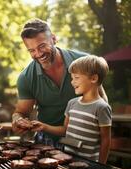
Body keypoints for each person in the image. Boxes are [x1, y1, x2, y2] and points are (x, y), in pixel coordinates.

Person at [12, 18, 107, 147]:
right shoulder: (26, 77)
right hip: (46, 143)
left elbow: (102, 100)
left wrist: (102, 136)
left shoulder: (85, 62)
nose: (38, 54)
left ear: (54, 39)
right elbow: (21, 112)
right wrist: (17, 120)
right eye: (32, 50)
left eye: (42, 46)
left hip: (84, 142)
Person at [31, 55, 111, 164]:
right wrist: (44, 127)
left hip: (89, 164)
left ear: (94, 78)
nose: (72, 82)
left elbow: (105, 140)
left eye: (76, 78)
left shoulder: (102, 107)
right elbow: (65, 130)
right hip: (68, 160)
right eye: (72, 78)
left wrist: (101, 164)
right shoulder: (72, 103)